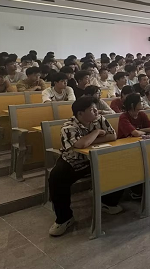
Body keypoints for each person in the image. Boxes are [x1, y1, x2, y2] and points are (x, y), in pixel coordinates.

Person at [48, 97, 123, 237]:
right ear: (80, 113)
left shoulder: (100, 119)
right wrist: (96, 132)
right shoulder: (68, 127)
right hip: (74, 161)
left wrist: (89, 141)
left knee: (120, 165)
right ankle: (64, 218)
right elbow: (80, 145)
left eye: (95, 108)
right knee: (56, 176)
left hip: (96, 158)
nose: (96, 111)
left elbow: (112, 136)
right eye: (92, 110)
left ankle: (108, 202)